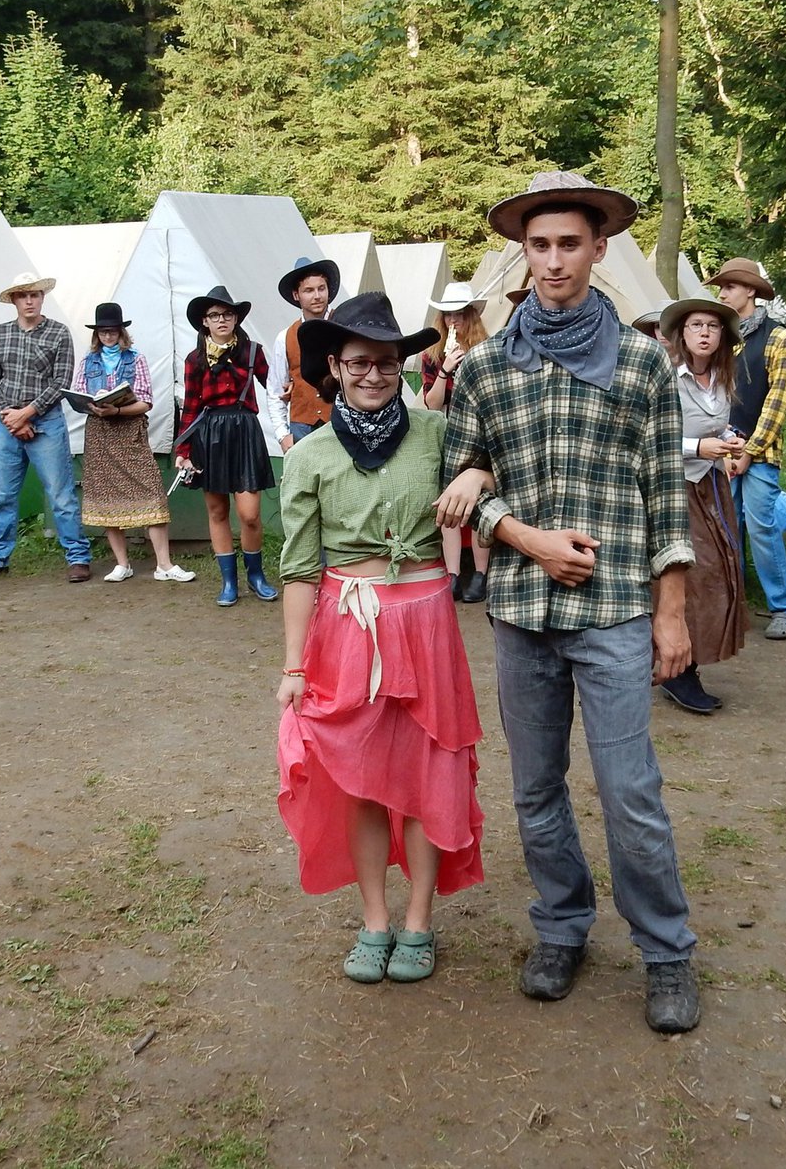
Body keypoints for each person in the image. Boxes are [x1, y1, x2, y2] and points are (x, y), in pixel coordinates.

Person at [439, 169, 701, 1035]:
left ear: (598, 251)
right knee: (535, 789)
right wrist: (523, 536)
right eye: (540, 245)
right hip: (521, 611)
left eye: (570, 245)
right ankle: (560, 927)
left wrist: (671, 613)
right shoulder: (486, 368)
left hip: (616, 609)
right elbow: (460, 479)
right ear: (524, 253)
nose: (553, 261)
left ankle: (666, 951)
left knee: (631, 792)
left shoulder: (642, 362)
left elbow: (666, 495)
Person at [277, 292, 483, 983]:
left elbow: (493, 460)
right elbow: (300, 568)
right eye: (360, 362)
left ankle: (419, 922)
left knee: (428, 773)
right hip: (347, 627)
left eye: (387, 363)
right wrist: (294, 666)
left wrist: (478, 470)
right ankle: (374, 921)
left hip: (426, 621)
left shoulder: (437, 433)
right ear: (335, 367)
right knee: (358, 779)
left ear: (401, 366)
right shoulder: (310, 455)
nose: (374, 374)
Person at [0, 272, 92, 585]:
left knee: (60, 494)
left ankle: (78, 557)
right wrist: (11, 418)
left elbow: (62, 382)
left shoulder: (59, 333)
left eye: (34, 295)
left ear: (42, 298)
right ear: (14, 301)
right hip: (8, 423)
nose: (29, 301)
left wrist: (28, 413)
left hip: (45, 421)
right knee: (3, 495)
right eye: (23, 295)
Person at [658, 298, 748, 715]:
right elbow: (651, 436)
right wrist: (698, 447)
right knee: (692, 575)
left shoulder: (722, 378)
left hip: (711, 487)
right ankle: (677, 670)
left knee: (719, 573)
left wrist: (730, 440)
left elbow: (718, 425)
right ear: (683, 333)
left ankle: (683, 664)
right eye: (696, 325)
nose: (705, 333)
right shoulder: (666, 377)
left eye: (712, 326)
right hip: (675, 488)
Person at [709, 258, 786, 641]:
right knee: (726, 529)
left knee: (762, 528)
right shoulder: (721, 338)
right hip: (723, 449)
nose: (722, 294)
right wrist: (725, 447)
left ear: (750, 291)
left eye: (729, 287)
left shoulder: (778, 337)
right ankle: (734, 606)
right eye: (721, 287)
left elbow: (778, 401)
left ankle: (783, 609)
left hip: (760, 453)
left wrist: (750, 450)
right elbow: (713, 394)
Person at [76, 304, 194, 584]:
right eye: (103, 332)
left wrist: (117, 409)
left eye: (112, 331)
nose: (108, 336)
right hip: (99, 434)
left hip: (129, 432)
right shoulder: (88, 361)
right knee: (105, 495)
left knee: (152, 491)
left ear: (121, 332)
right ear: (97, 334)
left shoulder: (135, 358)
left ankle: (164, 564)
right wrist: (93, 406)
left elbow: (146, 401)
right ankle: (122, 564)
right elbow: (79, 394)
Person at [177, 285, 279, 607]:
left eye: (228, 314)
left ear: (236, 319)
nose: (222, 320)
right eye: (215, 315)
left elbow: (275, 387)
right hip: (209, 435)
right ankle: (229, 581)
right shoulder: (194, 359)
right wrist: (182, 451)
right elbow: (190, 407)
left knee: (249, 514)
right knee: (218, 511)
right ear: (204, 321)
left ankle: (256, 576)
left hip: (245, 432)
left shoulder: (252, 352)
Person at [419, 282, 492, 603]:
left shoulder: (487, 350)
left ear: (471, 315)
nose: (454, 320)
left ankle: (480, 574)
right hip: (447, 433)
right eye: (448, 314)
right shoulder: (431, 354)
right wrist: (445, 371)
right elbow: (431, 405)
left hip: (480, 433)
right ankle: (452, 574)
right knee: (448, 500)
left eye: (460, 313)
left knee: (478, 501)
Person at [267, 256, 340, 453]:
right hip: (301, 427)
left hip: (340, 422)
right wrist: (282, 435)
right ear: (296, 295)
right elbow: (275, 390)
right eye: (309, 290)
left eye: (321, 288)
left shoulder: (345, 326)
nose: (317, 296)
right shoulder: (285, 337)